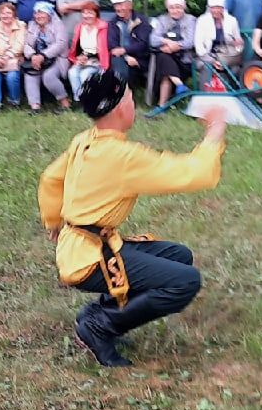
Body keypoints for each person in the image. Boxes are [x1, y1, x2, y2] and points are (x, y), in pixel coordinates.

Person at [37, 69, 227, 369]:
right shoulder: (122, 156)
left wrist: (54, 222)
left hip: (82, 246)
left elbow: (50, 178)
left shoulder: (84, 140)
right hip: (87, 259)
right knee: (185, 282)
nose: (133, 101)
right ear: (119, 108)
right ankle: (101, 326)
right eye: (129, 96)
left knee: (179, 256)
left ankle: (95, 315)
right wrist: (215, 130)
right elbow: (193, 173)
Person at [149, 0, 196, 106]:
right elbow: (152, 40)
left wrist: (176, 46)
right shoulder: (162, 20)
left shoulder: (191, 20)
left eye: (178, 7)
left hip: (184, 60)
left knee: (165, 63)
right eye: (172, 7)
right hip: (167, 59)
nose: (175, 10)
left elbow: (190, 41)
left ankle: (162, 105)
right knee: (164, 59)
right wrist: (167, 42)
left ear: (184, 7)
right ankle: (179, 86)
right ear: (167, 8)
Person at [22, 1, 70, 112]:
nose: (38, 16)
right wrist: (33, 55)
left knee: (48, 77)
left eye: (42, 13)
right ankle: (35, 107)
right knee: (30, 75)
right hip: (37, 59)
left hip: (57, 59)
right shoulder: (32, 25)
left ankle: (65, 103)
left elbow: (61, 44)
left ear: (49, 14)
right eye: (36, 13)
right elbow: (27, 44)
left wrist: (43, 55)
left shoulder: (58, 25)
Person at [193, 0, 244, 82]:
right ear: (209, 8)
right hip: (206, 57)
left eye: (218, 8)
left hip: (227, 57)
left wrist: (237, 43)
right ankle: (207, 94)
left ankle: (233, 95)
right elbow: (199, 47)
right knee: (207, 68)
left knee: (236, 70)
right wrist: (213, 61)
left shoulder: (232, 20)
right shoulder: (202, 21)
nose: (216, 10)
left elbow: (239, 45)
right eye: (213, 8)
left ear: (223, 8)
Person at [106, 0, 151, 89]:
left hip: (139, 59)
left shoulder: (141, 21)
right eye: (116, 5)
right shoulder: (113, 23)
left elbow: (143, 44)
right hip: (120, 58)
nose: (118, 8)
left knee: (120, 66)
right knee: (117, 61)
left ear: (130, 5)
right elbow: (112, 44)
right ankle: (119, 92)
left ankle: (119, 92)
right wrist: (125, 55)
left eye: (121, 5)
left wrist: (125, 50)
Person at [0, 0, 26, 110]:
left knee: (11, 76)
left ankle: (14, 101)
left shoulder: (21, 26)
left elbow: (20, 45)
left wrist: (7, 56)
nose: (5, 15)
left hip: (15, 59)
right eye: (2, 13)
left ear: (13, 14)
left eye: (8, 13)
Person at [67, 0, 110, 97]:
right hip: (83, 59)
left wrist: (89, 58)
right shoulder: (79, 27)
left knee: (85, 75)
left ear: (96, 14)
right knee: (72, 72)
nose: (87, 16)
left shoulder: (103, 27)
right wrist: (79, 57)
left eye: (90, 13)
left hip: (98, 61)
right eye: (84, 13)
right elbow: (76, 47)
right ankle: (79, 100)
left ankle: (90, 100)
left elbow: (104, 50)